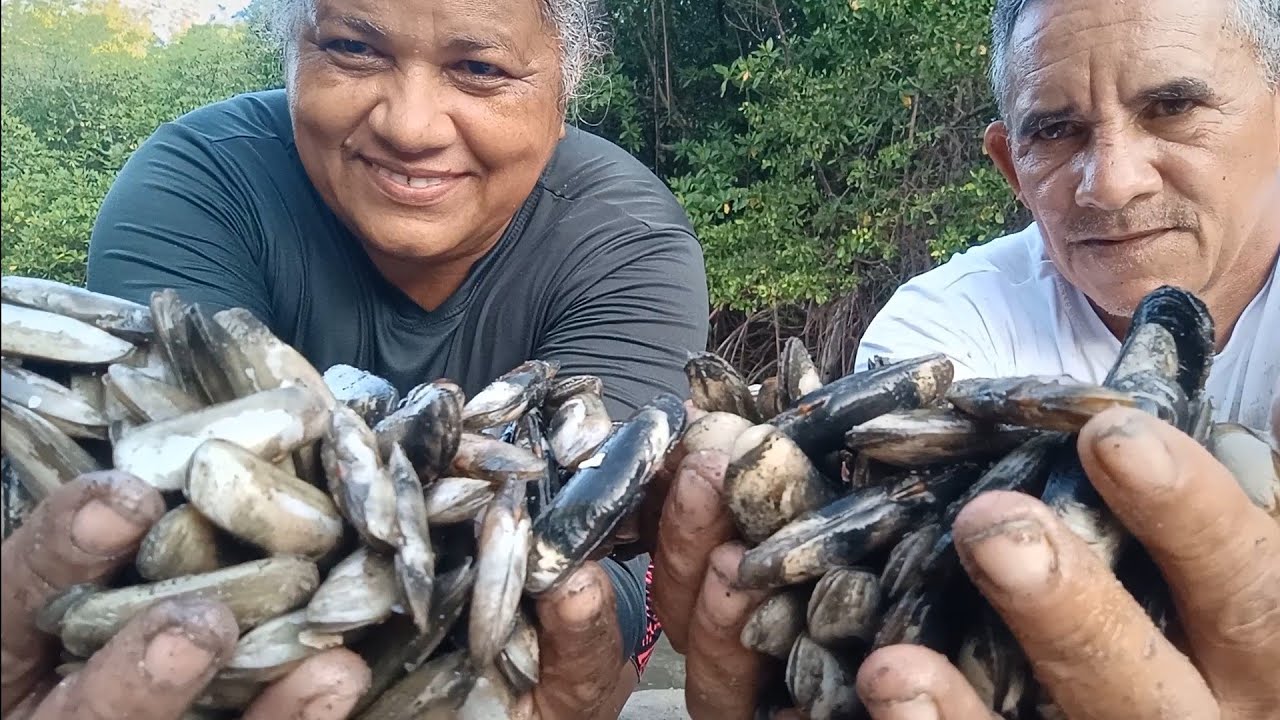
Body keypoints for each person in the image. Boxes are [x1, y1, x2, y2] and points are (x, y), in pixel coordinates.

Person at [3, 0, 709, 717]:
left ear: (563, 93)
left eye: (479, 68)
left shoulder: (628, 243)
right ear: (294, 59)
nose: (409, 126)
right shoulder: (195, 186)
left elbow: (595, 561)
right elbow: (171, 509)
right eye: (354, 49)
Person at [650, 0, 1280, 717]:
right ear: (1011, 165)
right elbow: (895, 571)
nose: (1112, 181)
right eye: (1055, 130)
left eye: (1172, 108)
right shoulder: (944, 325)